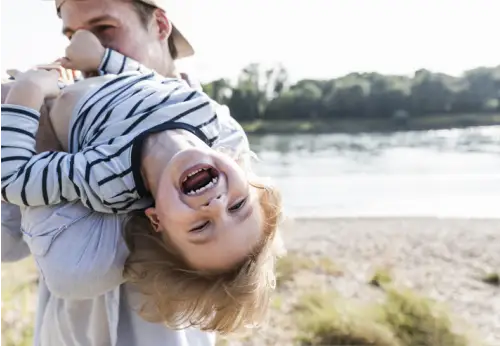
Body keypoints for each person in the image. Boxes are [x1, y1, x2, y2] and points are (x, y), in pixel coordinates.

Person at [0, 0, 280, 344]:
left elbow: (69, 269)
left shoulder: (220, 131)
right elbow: (5, 241)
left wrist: (27, 106)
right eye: (72, 35)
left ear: (160, 26)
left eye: (104, 29)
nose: (78, 47)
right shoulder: (195, 116)